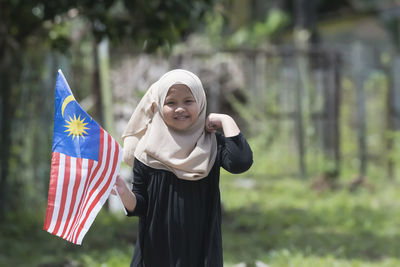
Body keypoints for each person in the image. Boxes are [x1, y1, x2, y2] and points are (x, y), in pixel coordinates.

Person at [113, 69, 253, 267]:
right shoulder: (146, 151)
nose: (180, 109)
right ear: (160, 105)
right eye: (171, 103)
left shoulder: (211, 145)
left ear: (200, 102)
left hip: (201, 251)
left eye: (188, 101)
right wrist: (124, 192)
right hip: (156, 252)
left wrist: (225, 120)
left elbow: (241, 162)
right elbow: (141, 206)